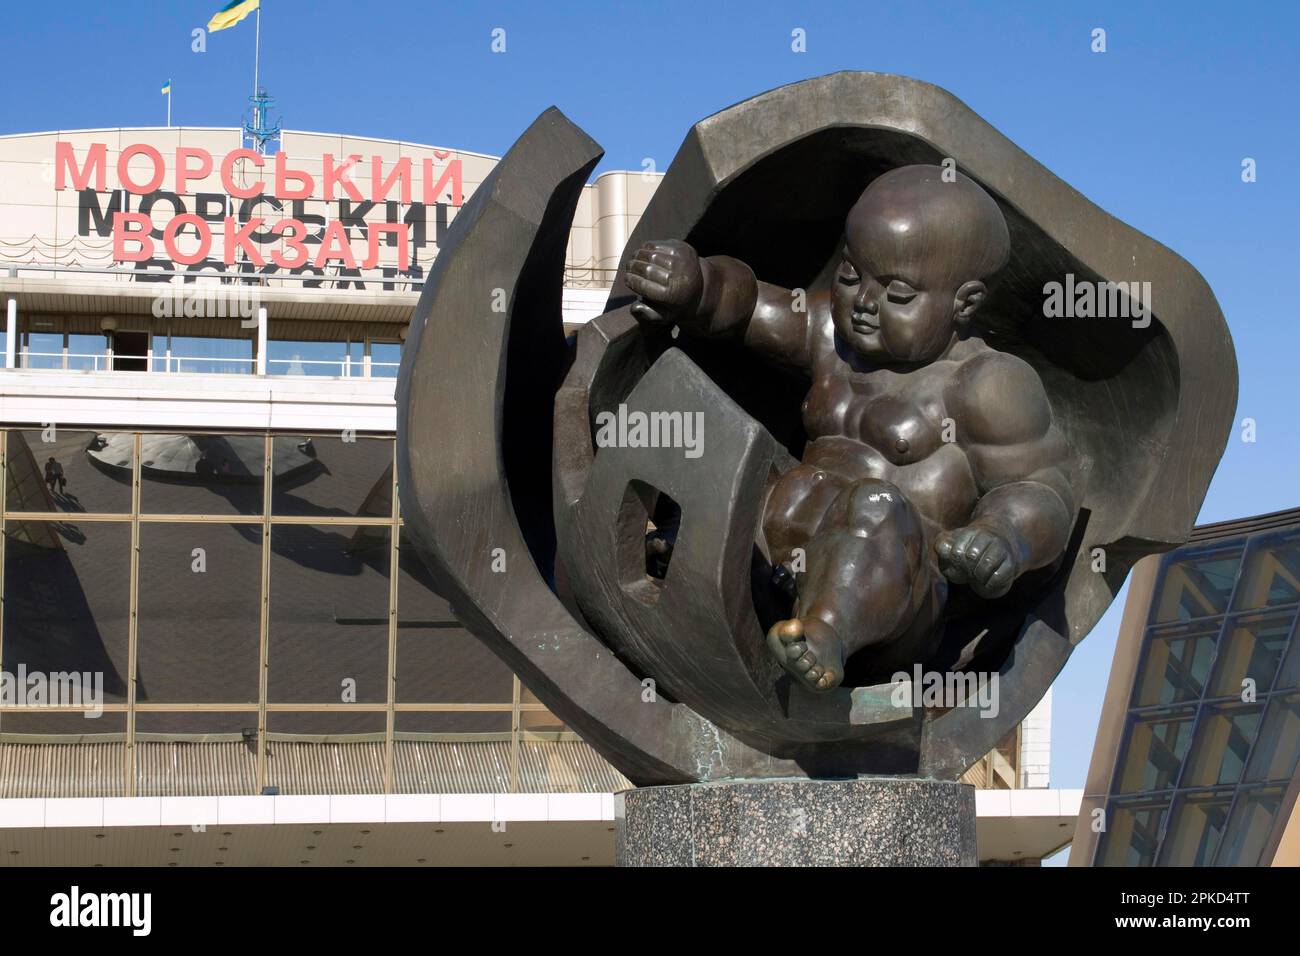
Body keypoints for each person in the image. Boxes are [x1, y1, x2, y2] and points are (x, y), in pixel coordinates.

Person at [626, 164, 1080, 692]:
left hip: (894, 606)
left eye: (898, 293)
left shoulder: (985, 384)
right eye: (849, 275)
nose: (863, 303)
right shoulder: (832, 337)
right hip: (777, 567)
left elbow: (1043, 487)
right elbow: (751, 304)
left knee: (875, 505)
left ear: (964, 303)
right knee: (738, 451)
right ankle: (698, 562)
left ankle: (825, 635)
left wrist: (1003, 538)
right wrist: (697, 283)